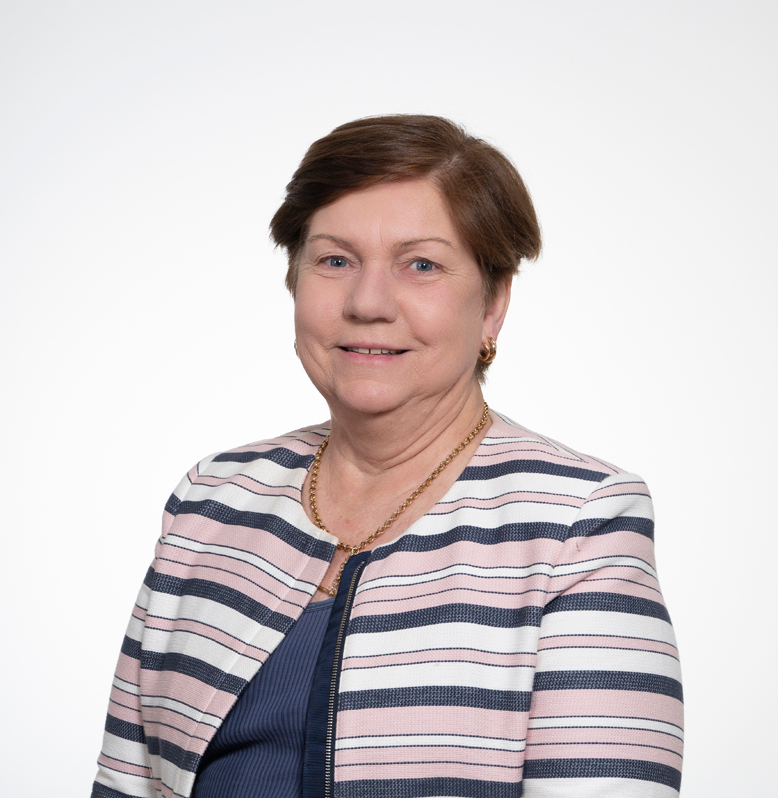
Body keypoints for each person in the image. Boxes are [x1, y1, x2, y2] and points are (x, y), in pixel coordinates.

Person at [92, 115, 683, 798]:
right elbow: (125, 784)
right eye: (335, 260)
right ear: (293, 282)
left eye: (422, 265)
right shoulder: (211, 499)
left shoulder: (579, 521)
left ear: (493, 305)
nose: (368, 303)